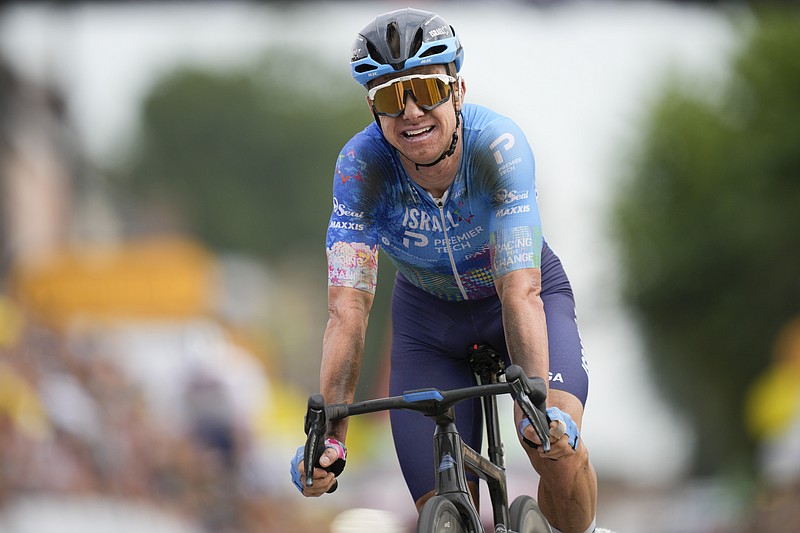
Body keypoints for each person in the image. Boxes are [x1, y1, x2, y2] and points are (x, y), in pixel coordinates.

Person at [290, 8, 598, 533]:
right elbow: (347, 310)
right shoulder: (359, 169)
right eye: (390, 97)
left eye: (426, 91)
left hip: (518, 298)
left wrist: (538, 402)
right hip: (428, 323)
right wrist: (331, 435)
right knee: (440, 503)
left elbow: (520, 291)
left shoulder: (498, 148)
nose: (410, 112)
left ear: (457, 90)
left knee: (553, 448)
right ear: (373, 108)